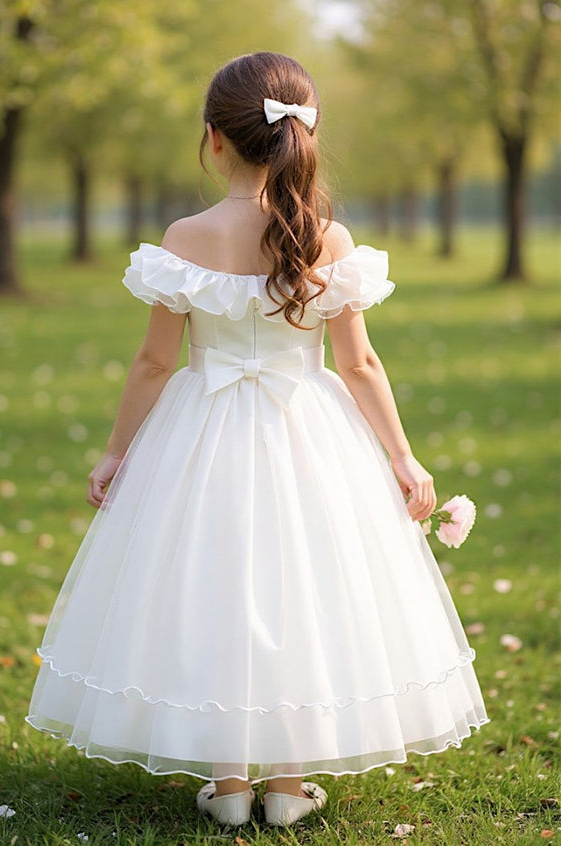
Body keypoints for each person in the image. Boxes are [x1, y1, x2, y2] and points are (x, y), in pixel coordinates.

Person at [25, 51, 490, 828]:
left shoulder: (185, 236)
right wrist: (402, 456)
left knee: (215, 582)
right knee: (303, 583)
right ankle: (287, 785)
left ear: (214, 139)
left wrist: (115, 451)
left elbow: (152, 361)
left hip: (201, 433)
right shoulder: (327, 240)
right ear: (304, 135)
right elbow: (360, 362)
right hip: (309, 430)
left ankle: (230, 785)